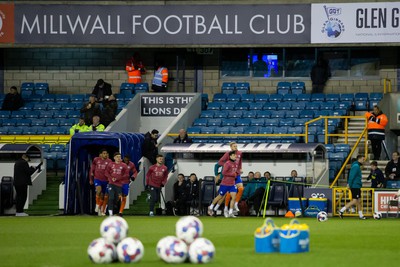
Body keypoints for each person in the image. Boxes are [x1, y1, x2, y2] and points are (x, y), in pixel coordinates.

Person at [208, 151, 239, 218]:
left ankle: (230, 212)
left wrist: (236, 175)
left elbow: (235, 172)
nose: (235, 156)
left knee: (234, 197)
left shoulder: (236, 164)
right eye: (234, 155)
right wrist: (232, 174)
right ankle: (211, 207)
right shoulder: (227, 163)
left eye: (235, 155)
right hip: (225, 183)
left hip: (232, 184)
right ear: (230, 156)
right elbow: (224, 173)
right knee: (220, 196)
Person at [218, 142, 244, 214]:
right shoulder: (227, 154)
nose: (236, 147)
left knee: (241, 188)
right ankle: (226, 208)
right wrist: (227, 165)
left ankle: (236, 203)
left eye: (236, 146)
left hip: (237, 174)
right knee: (227, 193)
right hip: (229, 176)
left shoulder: (240, 153)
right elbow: (220, 162)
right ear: (231, 147)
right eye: (234, 146)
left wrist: (240, 168)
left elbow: (240, 163)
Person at [338, 155, 367, 220]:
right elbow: (351, 176)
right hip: (355, 186)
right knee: (355, 200)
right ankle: (341, 210)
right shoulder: (356, 166)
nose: (363, 160)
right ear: (359, 159)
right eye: (363, 159)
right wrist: (349, 184)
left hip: (357, 185)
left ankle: (361, 215)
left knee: (359, 201)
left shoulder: (356, 166)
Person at [105, 152, 129, 217]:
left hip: (119, 185)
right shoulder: (110, 164)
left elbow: (126, 174)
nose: (119, 158)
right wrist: (111, 178)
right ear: (114, 158)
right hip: (111, 184)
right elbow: (106, 172)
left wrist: (118, 178)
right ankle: (110, 213)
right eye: (117, 157)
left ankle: (117, 211)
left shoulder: (124, 165)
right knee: (111, 197)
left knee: (117, 199)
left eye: (119, 157)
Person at [90, 149, 112, 216]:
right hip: (97, 179)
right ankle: (97, 206)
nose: (105, 155)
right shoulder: (96, 159)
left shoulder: (109, 161)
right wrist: (91, 176)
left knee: (104, 196)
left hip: (105, 180)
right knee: (98, 190)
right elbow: (92, 168)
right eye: (104, 153)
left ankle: (101, 210)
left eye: (106, 153)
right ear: (101, 154)